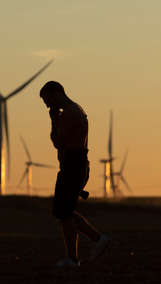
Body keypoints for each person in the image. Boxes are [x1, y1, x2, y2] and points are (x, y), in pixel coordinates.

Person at [39, 81, 110, 267]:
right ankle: (96, 239)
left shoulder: (70, 113)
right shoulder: (77, 110)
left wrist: (53, 121)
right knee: (65, 211)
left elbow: (58, 141)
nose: (47, 106)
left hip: (73, 164)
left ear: (56, 93)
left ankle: (74, 256)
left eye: (47, 100)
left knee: (64, 213)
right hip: (75, 164)